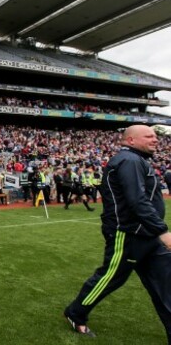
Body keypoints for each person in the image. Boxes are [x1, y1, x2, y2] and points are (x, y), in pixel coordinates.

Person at [64, 125, 171, 341]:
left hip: (147, 235)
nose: (155, 139)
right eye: (149, 136)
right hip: (129, 234)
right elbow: (136, 201)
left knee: (166, 284)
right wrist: (163, 231)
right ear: (130, 140)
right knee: (110, 277)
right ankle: (75, 313)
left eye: (155, 136)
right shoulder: (128, 161)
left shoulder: (138, 160)